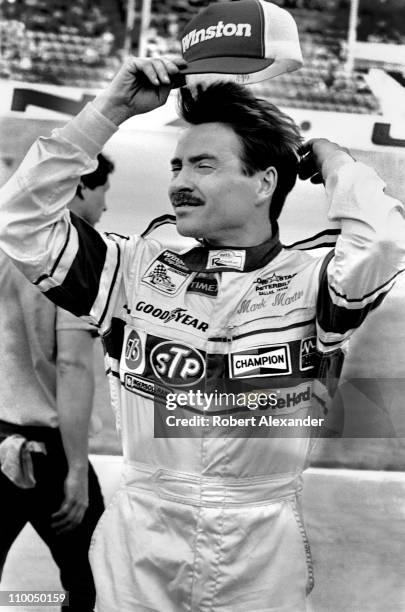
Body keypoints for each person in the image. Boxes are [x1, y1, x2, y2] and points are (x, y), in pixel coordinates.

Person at [0, 57, 404, 612]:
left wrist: (336, 160)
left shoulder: (316, 282)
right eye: (176, 167)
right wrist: (109, 111)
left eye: (203, 166)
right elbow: (19, 219)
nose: (179, 184)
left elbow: (383, 242)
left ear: (263, 182)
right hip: (140, 538)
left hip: (260, 548)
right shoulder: (135, 268)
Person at [0, 153, 113, 611]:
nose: (106, 204)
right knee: (93, 584)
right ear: (82, 187)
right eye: (105, 190)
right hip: (50, 453)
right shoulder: (75, 258)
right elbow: (73, 367)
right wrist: (78, 470)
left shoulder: (6, 247)